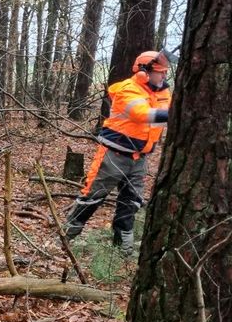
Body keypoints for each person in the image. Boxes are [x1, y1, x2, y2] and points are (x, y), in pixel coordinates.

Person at [63, 50, 174, 254]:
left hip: (139, 158)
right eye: (160, 71)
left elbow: (168, 109)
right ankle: (65, 239)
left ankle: (123, 248)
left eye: (165, 71)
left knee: (131, 201)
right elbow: (142, 114)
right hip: (113, 156)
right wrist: (175, 113)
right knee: (92, 196)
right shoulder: (128, 90)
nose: (164, 76)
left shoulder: (163, 93)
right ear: (144, 72)